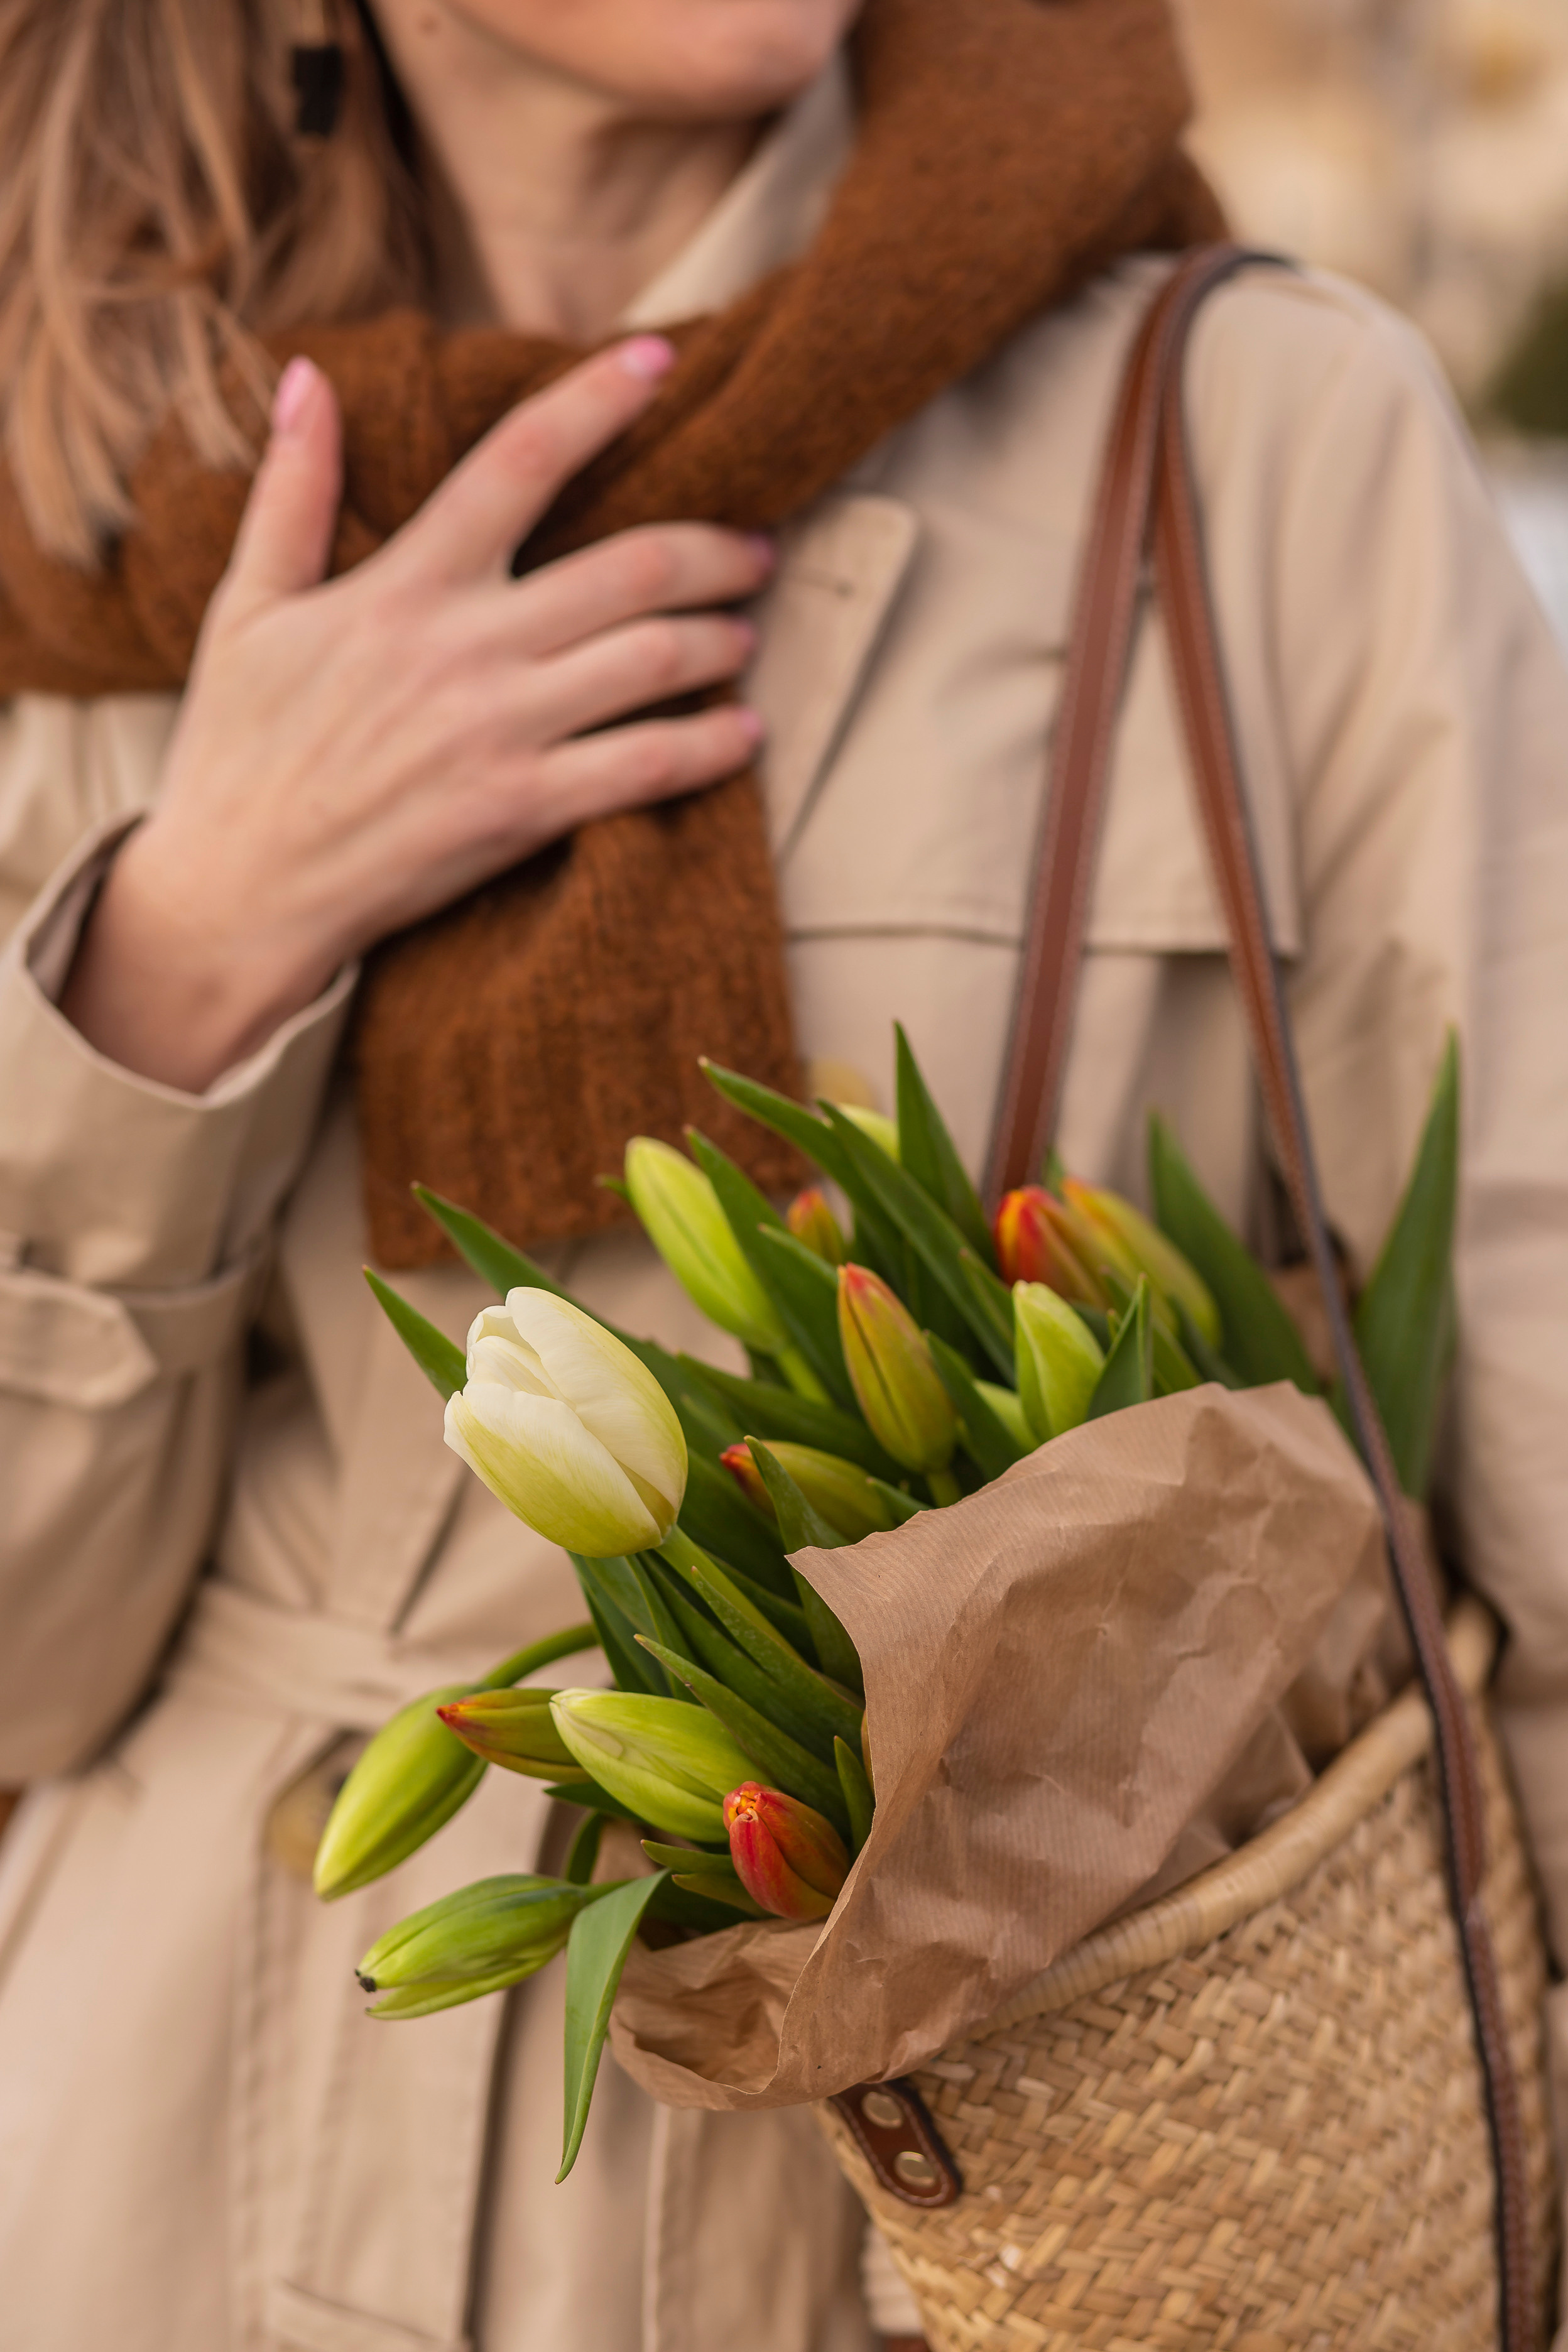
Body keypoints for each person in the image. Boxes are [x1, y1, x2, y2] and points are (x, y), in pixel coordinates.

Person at [1, 2, 1565, 2348]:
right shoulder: (87, 494)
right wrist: (185, 943)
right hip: (147, 2198)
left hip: (977, 2211)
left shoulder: (1244, 437)